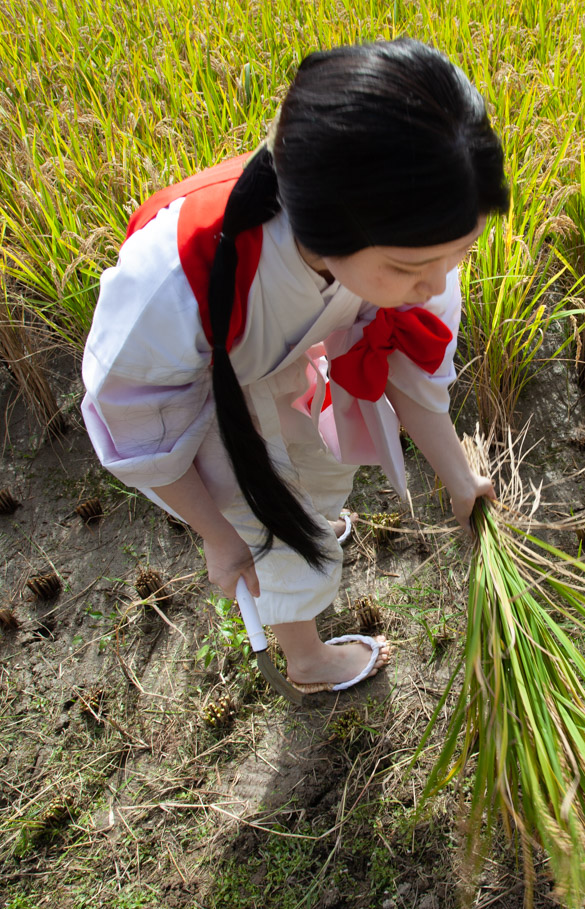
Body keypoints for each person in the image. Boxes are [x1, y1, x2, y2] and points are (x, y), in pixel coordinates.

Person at [83, 39, 509, 695]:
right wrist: (219, 535)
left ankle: (307, 526)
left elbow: (409, 356)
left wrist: (459, 477)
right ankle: (306, 661)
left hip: (285, 363)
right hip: (208, 400)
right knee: (268, 524)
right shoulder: (168, 282)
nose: (434, 285)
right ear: (325, 225)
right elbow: (139, 428)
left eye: (457, 257)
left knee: (321, 466)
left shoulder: (415, 245)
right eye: (409, 269)